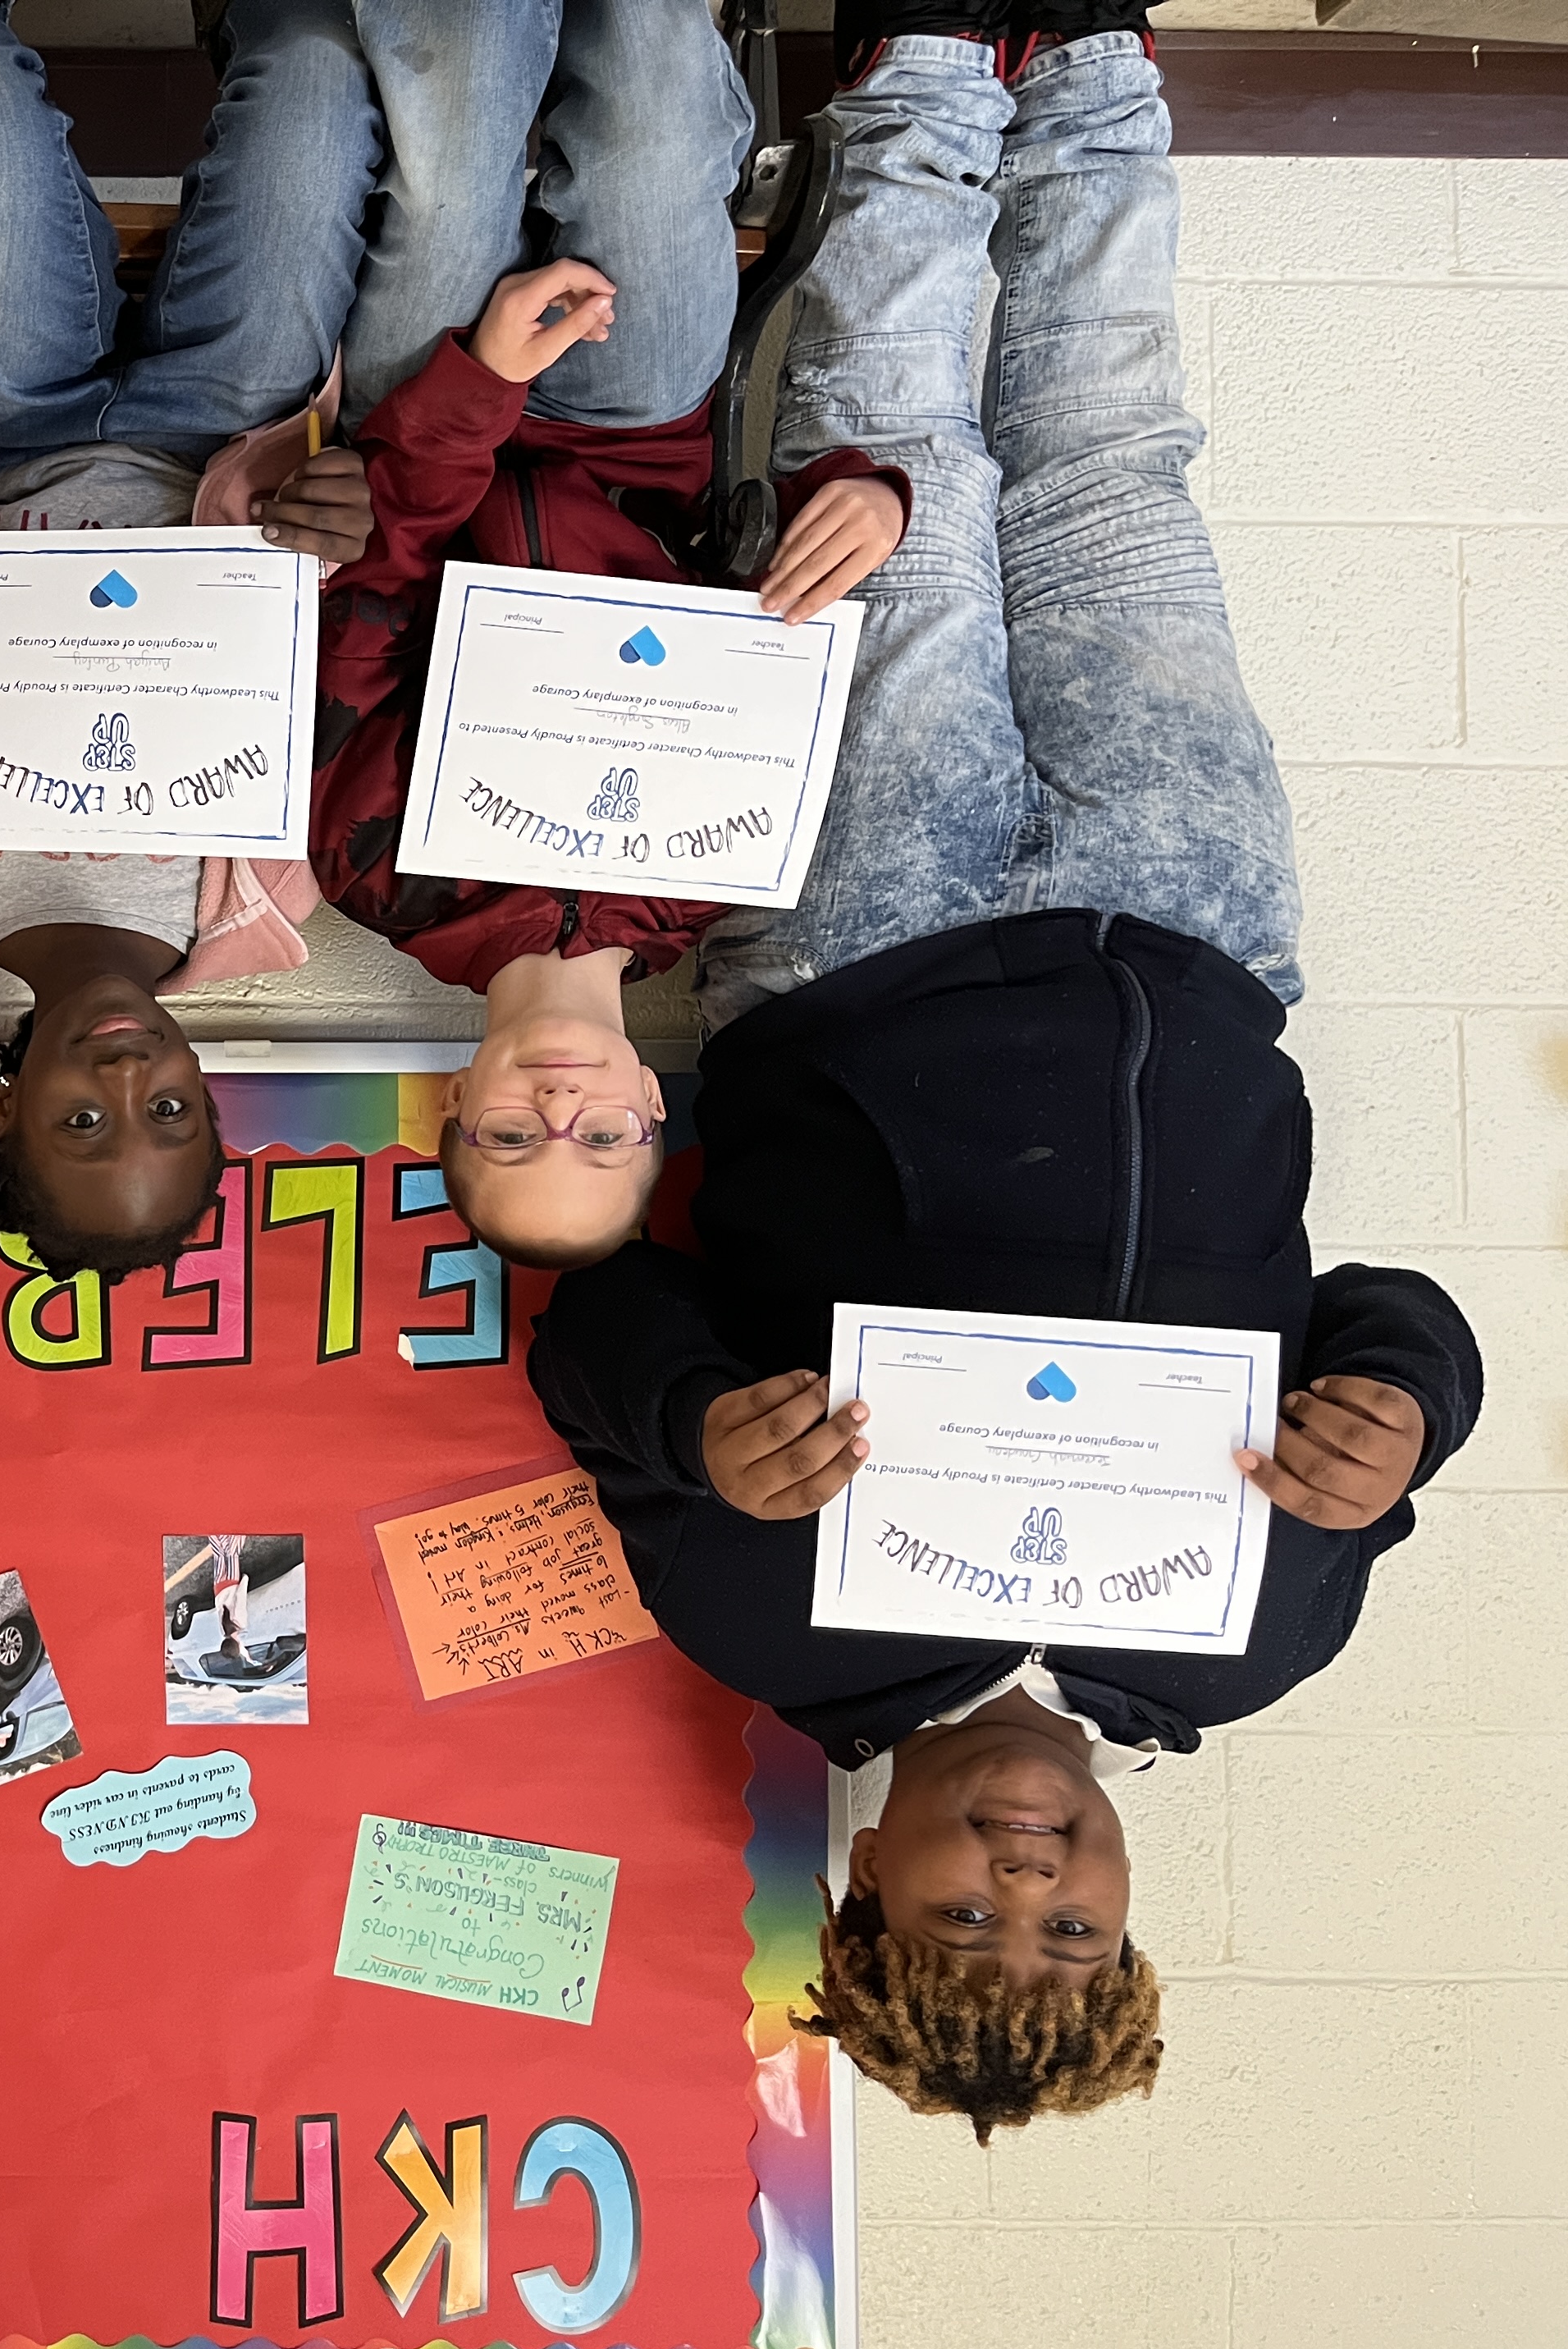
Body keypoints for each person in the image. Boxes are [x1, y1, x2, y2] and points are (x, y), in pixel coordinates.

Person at [524, 1, 1487, 2139]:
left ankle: (936, 59)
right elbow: (1396, 1324)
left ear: (863, 1882)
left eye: (965, 1923)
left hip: (873, 945)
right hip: (1204, 933)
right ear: (1129, 1912)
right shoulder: (1252, 1642)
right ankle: (1103, 74)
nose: (1030, 1883)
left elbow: (604, 1328)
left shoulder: (772, 1627)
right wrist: (1401, 1413)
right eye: (1074, 1932)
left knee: (905, 458)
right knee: (1122, 451)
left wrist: (706, 1419)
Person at [304, 0, 911, 1272]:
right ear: (652, 1107)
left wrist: (476, 384)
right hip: (639, 425)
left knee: (457, 138)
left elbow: (374, 582)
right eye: (603, 1142)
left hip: (433, 407)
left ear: (457, 1111)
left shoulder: (375, 876)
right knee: (652, 114)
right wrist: (864, 499)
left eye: (514, 1141)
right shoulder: (726, 867)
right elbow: (781, 570)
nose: (560, 1114)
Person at [0, 0, 372, 1280]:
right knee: (313, 74)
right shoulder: (270, 886)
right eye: (171, 1114)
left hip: (6, 424)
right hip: (227, 427)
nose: (129, 1077)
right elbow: (348, 641)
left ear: (6, 1113)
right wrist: (342, 528)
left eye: (84, 1123)